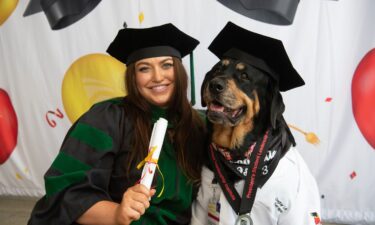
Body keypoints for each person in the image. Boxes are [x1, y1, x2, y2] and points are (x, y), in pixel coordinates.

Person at [28, 23, 207, 225]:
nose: (158, 77)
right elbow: (66, 191)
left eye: (166, 65)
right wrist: (117, 213)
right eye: (144, 68)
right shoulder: (108, 117)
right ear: (133, 77)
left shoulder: (200, 125)